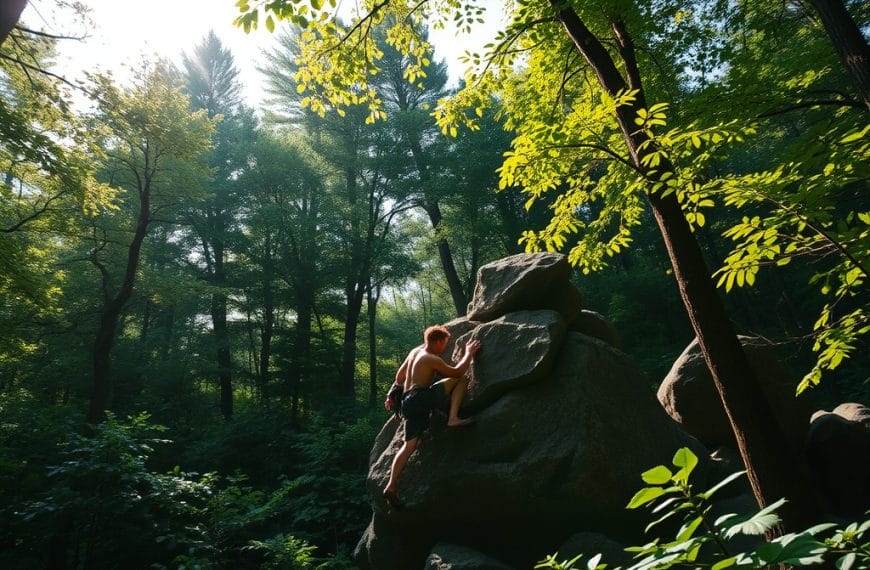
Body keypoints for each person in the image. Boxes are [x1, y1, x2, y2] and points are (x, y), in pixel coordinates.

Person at [382, 325, 481, 508]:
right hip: (421, 398)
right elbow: (458, 371)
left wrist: (390, 393)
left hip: (407, 402)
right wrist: (469, 352)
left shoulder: (415, 351)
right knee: (463, 378)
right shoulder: (430, 358)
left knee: (409, 444)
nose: (445, 347)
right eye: (444, 343)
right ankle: (453, 418)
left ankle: (391, 485)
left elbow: (399, 376)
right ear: (436, 342)